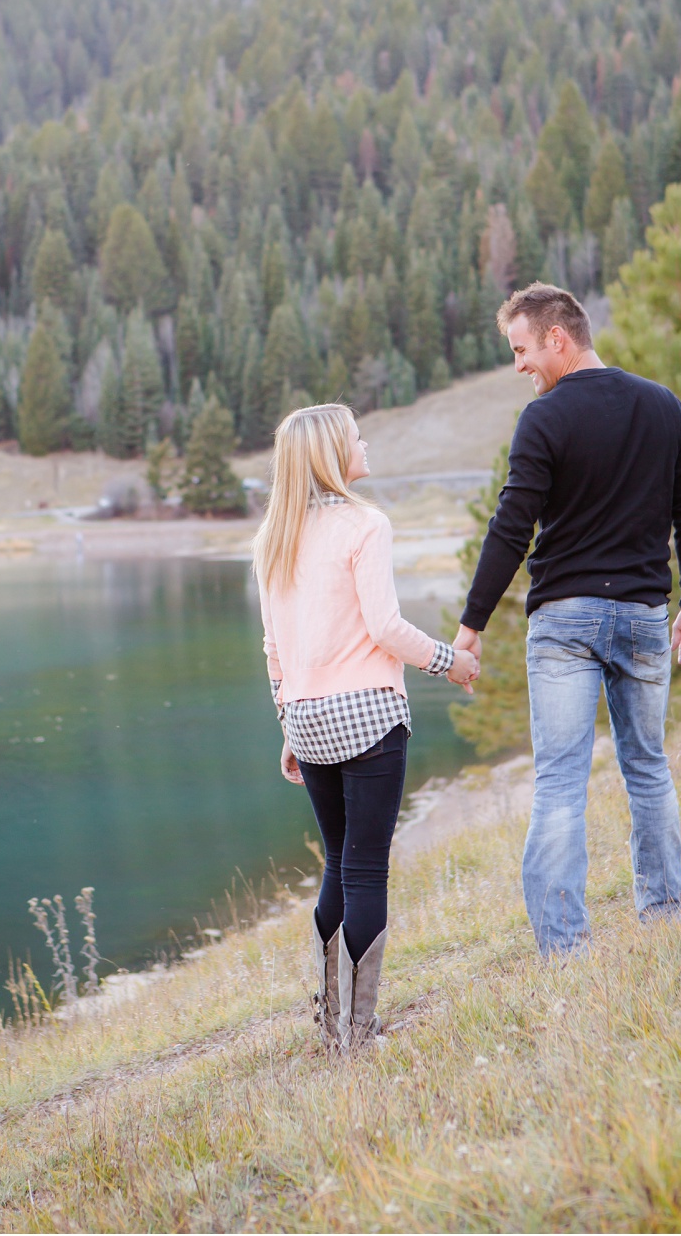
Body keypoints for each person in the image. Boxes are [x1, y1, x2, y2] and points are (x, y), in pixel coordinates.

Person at [454, 282, 681, 956]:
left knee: (561, 782)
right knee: (648, 768)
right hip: (642, 616)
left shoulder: (544, 419)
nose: (518, 366)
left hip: (565, 620)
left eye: (521, 349)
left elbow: (511, 528)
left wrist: (472, 624)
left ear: (557, 338)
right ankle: (666, 916)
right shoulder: (666, 407)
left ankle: (566, 952)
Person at [254, 402, 480, 1050]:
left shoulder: (273, 536)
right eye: (357, 436)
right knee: (366, 871)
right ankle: (359, 1031)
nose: (366, 442)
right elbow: (384, 627)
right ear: (333, 452)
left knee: (338, 863)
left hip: (307, 719)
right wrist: (452, 661)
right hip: (369, 716)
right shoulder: (365, 524)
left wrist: (289, 728)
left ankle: (332, 1025)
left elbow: (274, 650)